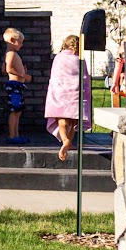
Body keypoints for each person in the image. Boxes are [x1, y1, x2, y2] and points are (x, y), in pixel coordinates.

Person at [45, 34, 87, 162]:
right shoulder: (79, 59)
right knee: (73, 123)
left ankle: (65, 140)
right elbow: (84, 77)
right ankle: (71, 142)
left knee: (62, 122)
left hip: (60, 94)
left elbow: (55, 76)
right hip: (75, 94)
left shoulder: (59, 58)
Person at [2, 27, 31, 144]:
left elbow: (3, 69)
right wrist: (23, 74)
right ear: (13, 40)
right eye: (21, 42)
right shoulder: (11, 54)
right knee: (14, 111)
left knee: (18, 111)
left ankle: (16, 135)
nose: (22, 45)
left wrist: (21, 71)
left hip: (17, 85)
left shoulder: (10, 54)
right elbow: (8, 69)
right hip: (14, 85)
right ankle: (12, 135)